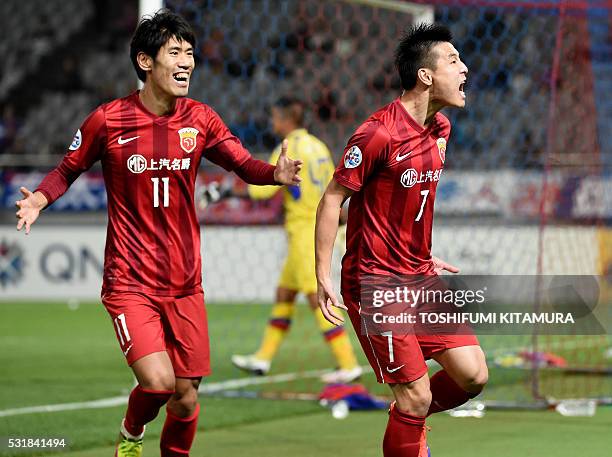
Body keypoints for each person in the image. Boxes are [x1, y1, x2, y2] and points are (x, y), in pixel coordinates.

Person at [15, 10, 301, 457]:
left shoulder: (200, 119)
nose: (187, 62)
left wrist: (273, 173)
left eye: (190, 53)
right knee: (159, 383)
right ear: (146, 62)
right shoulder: (108, 120)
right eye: (175, 52)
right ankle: (131, 434)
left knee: (186, 397)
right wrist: (38, 200)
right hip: (130, 281)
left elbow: (242, 163)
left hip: (185, 283)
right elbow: (69, 168)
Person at [315, 24, 488, 457]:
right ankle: (411, 420)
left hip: (420, 277)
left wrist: (420, 250)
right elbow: (334, 197)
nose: (465, 68)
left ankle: (408, 423)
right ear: (425, 76)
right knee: (415, 397)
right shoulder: (377, 133)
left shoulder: (441, 128)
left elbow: (408, 200)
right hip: (375, 282)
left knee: (473, 376)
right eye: (453, 60)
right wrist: (322, 274)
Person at [231, 97, 362, 383]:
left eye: (275, 117)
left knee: (318, 300)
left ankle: (348, 363)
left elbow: (265, 191)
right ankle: (263, 359)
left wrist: (231, 193)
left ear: (285, 119)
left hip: (305, 232)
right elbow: (335, 189)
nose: (272, 122)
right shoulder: (319, 147)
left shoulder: (286, 147)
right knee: (285, 294)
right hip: (318, 226)